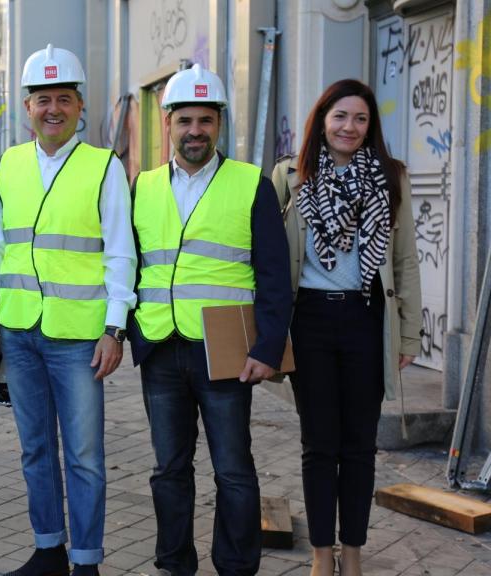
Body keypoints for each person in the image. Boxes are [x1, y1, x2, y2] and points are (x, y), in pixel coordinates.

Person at [0, 44, 137, 576]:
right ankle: (48, 552)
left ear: (80, 106)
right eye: (43, 99)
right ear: (27, 107)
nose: (53, 109)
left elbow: (119, 253)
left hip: (79, 338)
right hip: (17, 331)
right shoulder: (8, 165)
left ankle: (85, 561)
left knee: (84, 457)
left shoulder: (103, 167)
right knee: (35, 449)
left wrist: (116, 327)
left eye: (64, 99)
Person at [128, 64, 291, 576]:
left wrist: (267, 348)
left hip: (226, 351)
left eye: (206, 120)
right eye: (185, 120)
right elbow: (130, 265)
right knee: (168, 471)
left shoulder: (250, 184)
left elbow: (274, 274)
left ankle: (236, 567)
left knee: (234, 470)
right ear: (168, 123)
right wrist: (131, 330)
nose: (195, 130)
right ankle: (175, 564)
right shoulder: (143, 186)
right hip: (160, 345)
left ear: (219, 124)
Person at [271, 79, 421, 576]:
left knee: (359, 445)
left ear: (370, 126)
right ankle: (320, 554)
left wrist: (409, 334)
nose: (349, 127)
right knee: (319, 444)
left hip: (365, 319)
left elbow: (405, 263)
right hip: (309, 320)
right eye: (341, 116)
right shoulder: (290, 175)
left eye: (360, 119)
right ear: (323, 118)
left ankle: (352, 552)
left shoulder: (391, 178)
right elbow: (270, 261)